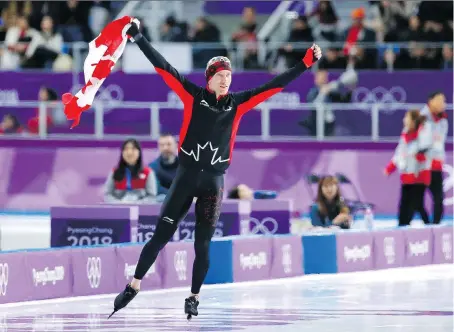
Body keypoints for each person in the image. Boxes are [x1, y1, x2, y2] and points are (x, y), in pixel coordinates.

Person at [110, 19, 322, 320]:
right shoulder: (191, 95)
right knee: (159, 236)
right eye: (220, 75)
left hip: (213, 183)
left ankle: (194, 296)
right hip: (185, 179)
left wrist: (304, 64)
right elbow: (164, 68)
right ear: (209, 78)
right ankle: (134, 284)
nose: (226, 80)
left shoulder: (238, 104)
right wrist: (139, 38)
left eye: (229, 75)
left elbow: (275, 85)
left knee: (203, 245)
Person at [384, 110, 432, 226]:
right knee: (404, 203)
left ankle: (428, 226)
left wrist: (415, 154)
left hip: (420, 174)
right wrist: (390, 167)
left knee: (417, 204)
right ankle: (402, 225)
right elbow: (400, 152)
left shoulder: (423, 131)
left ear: (413, 120)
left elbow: (425, 149)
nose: (403, 120)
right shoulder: (405, 132)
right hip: (407, 174)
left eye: (406, 117)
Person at [420, 92, 448, 224]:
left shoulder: (443, 120)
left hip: (436, 165)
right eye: (440, 100)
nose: (443, 104)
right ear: (430, 101)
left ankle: (436, 226)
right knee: (415, 199)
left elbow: (439, 143)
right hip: (422, 165)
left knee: (438, 198)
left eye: (444, 101)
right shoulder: (422, 118)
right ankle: (426, 222)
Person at [104, 138, 157, 203]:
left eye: (133, 149)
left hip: (141, 211)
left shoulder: (148, 172)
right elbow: (107, 195)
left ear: (139, 152)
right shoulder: (114, 172)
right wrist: (119, 204)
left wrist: (135, 205)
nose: (129, 152)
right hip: (118, 210)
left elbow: (152, 197)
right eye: (126, 149)